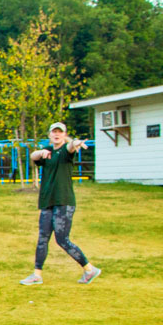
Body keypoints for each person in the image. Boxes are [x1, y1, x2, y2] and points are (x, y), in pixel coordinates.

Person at [21, 122, 102, 285]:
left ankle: (89, 269)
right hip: (47, 201)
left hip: (63, 201)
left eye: (60, 132)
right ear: (50, 135)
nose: (57, 134)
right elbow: (32, 157)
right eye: (54, 132)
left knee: (62, 239)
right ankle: (36, 275)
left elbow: (71, 147)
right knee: (42, 238)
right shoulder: (48, 152)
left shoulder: (65, 151)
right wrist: (40, 151)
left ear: (64, 135)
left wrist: (76, 143)